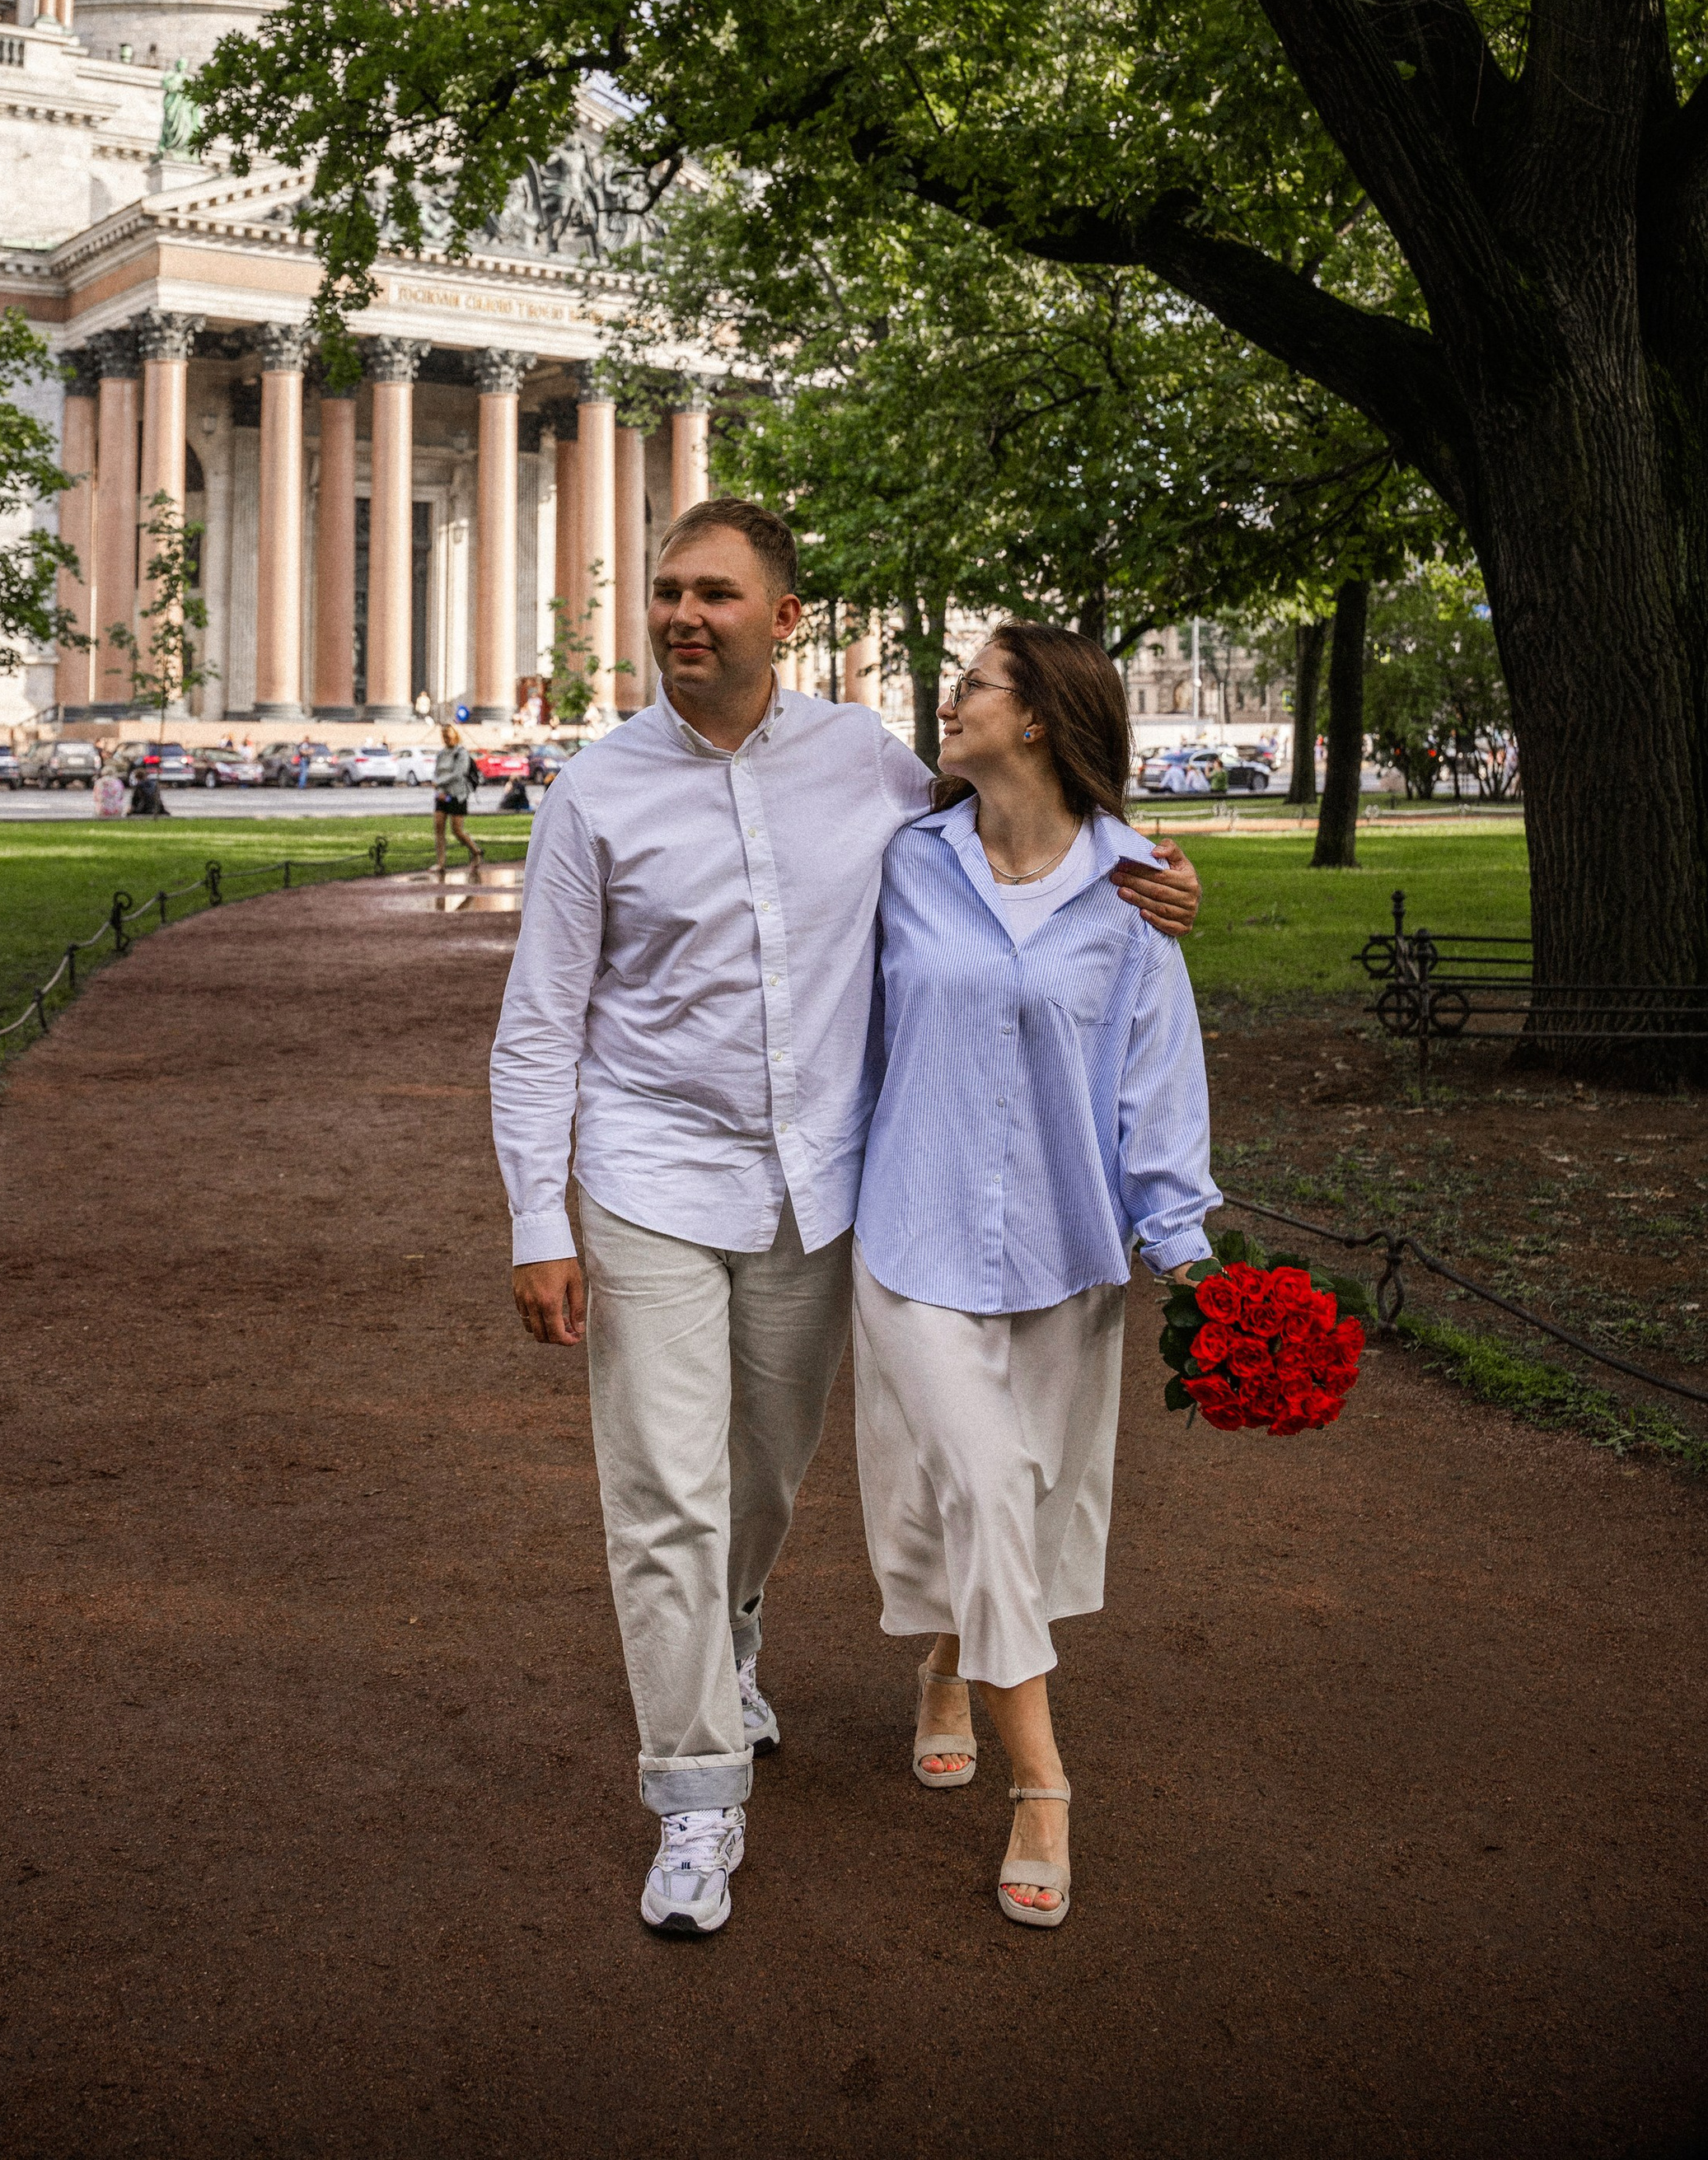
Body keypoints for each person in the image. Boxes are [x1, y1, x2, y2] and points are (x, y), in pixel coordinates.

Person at [491, 498, 1200, 1941]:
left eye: (716, 594)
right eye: (667, 592)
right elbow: (538, 1025)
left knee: (759, 1475)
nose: (684, 616)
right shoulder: (598, 792)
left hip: (822, 1191)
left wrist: (1159, 871)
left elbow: (1039, 846)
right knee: (666, 1494)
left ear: (786, 620)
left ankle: (734, 1627)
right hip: (647, 1180)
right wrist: (535, 1216)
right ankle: (696, 1799)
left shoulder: (879, 773)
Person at [850, 623, 1219, 1930]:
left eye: (973, 688)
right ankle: (1044, 1785)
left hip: (1070, 1248)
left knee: (1033, 1495)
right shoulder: (904, 861)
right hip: (911, 1237)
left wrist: (1190, 1256)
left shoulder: (1134, 891)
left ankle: (951, 1663)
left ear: (1043, 720)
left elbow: (1154, 1086)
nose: (947, 706)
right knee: (992, 1477)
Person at [432, 722, 484, 884]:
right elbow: (436, 772)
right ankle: (441, 863)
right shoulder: (441, 754)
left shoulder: (461, 753)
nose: (446, 739)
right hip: (442, 795)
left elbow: (458, 774)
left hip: (458, 795)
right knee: (438, 827)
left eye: (448, 735)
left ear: (455, 735)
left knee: (457, 830)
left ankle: (476, 851)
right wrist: (438, 787)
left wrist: (439, 782)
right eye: (444, 736)